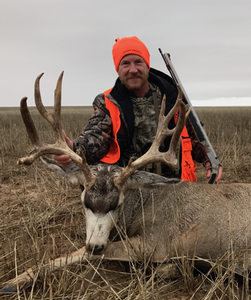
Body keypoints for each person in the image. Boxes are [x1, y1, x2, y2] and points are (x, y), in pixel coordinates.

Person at [53, 36, 222, 183]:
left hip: (176, 186)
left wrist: (209, 160)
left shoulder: (173, 96)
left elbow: (193, 137)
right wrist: (74, 148)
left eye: (138, 62)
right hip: (133, 190)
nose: (133, 70)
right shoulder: (108, 102)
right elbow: (96, 136)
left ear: (147, 65)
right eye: (125, 63)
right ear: (118, 69)